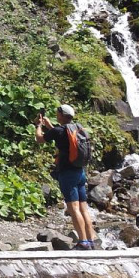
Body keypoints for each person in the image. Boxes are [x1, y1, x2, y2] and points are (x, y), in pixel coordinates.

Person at [35, 104, 96, 250]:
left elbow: (39, 139)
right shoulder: (75, 128)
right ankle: (91, 240)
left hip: (67, 174)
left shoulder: (58, 131)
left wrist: (38, 126)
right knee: (83, 208)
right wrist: (50, 126)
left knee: (73, 208)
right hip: (80, 172)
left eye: (57, 113)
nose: (56, 115)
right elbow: (61, 136)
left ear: (62, 115)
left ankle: (82, 242)